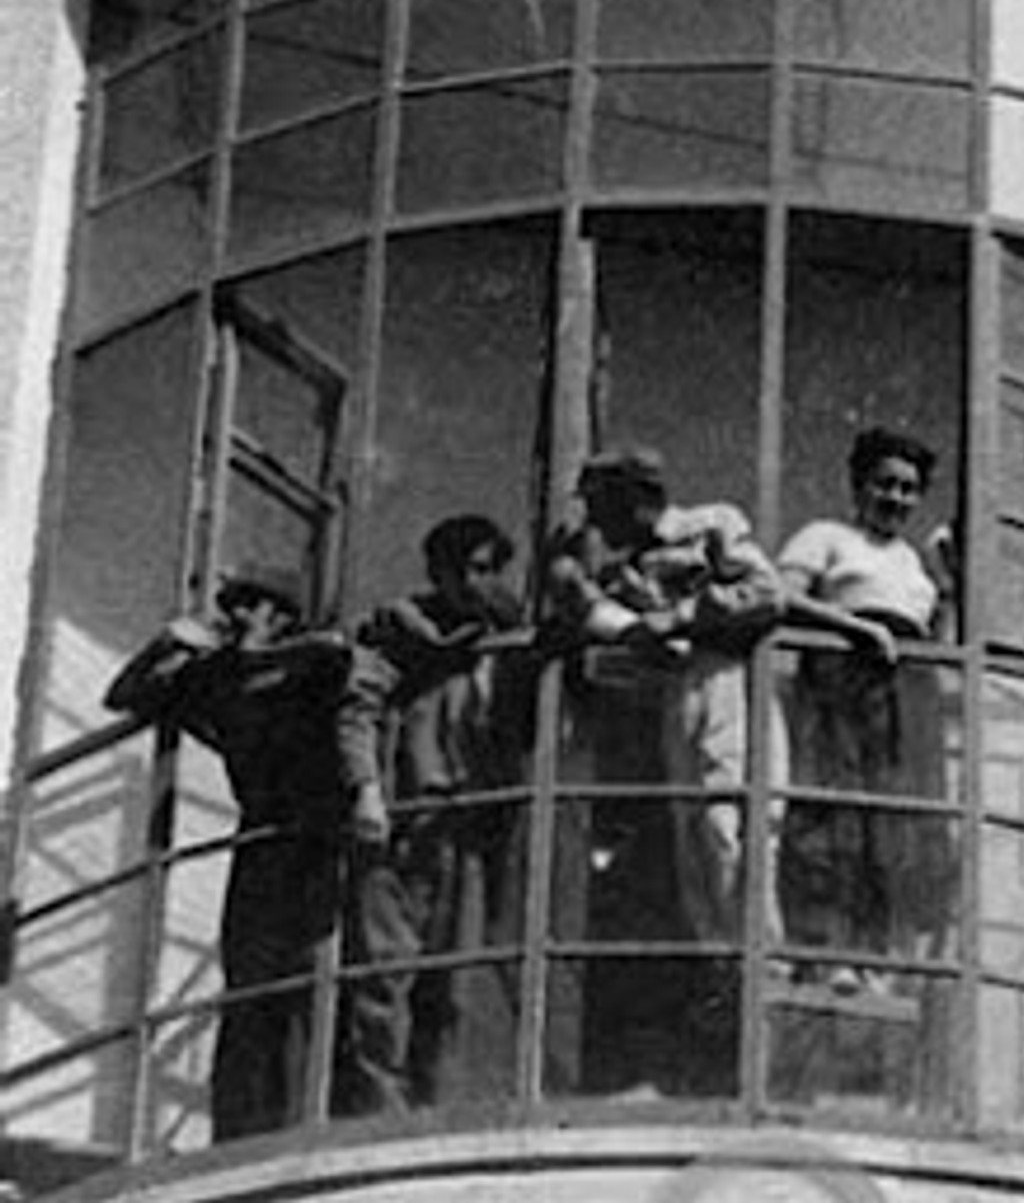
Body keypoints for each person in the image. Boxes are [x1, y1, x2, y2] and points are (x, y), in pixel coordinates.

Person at [541, 447, 785, 1089]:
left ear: (636, 498)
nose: (598, 523)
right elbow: (597, 618)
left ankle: (761, 958)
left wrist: (677, 616)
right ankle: (721, 964)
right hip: (678, 691)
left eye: (603, 507)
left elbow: (766, 592)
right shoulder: (623, 568)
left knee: (727, 822)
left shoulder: (709, 525)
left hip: (725, 677)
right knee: (690, 832)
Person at [104, 561, 359, 1142]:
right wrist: (165, 645)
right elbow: (124, 696)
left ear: (282, 614)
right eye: (235, 605)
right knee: (248, 985)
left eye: (251, 604)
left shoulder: (308, 666)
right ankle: (241, 1129)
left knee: (314, 979)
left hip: (320, 836)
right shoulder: (218, 677)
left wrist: (249, 654)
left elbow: (340, 656)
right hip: (262, 840)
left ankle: (310, 1119)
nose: (237, 615)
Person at [338, 513, 538, 1113]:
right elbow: (359, 707)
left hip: (467, 827)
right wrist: (366, 789)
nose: (478, 583)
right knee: (384, 975)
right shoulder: (400, 629)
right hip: (403, 823)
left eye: (489, 569)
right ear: (439, 572)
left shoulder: (505, 639)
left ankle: (435, 1107)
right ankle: (381, 1114)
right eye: (467, 570)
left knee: (452, 984)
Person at [776, 428, 956, 994]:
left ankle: (878, 959)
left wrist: (949, 588)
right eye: (885, 484)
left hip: (905, 691)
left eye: (908, 489)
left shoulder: (913, 563)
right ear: (859, 485)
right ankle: (827, 953)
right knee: (835, 813)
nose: (896, 498)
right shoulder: (826, 537)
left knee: (894, 823)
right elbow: (780, 596)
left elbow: (934, 635)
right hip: (843, 679)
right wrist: (853, 627)